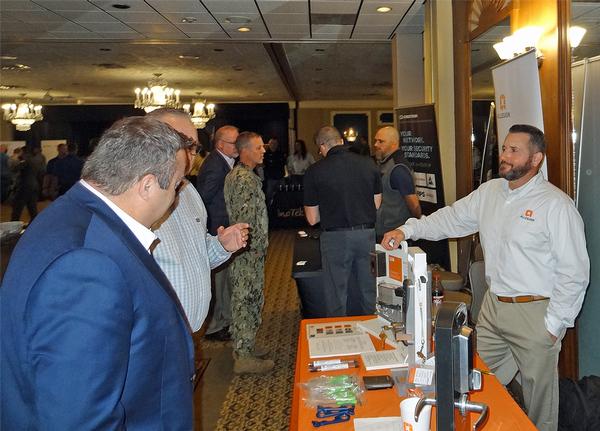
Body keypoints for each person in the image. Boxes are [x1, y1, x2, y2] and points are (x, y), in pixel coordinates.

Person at [382, 124, 590, 431]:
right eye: (504, 148)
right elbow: (451, 219)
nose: (504, 155)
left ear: (536, 160)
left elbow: (575, 272)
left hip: (535, 314)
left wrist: (554, 325)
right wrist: (408, 230)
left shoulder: (556, 205)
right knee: (471, 378)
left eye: (514, 150)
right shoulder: (490, 192)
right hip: (493, 309)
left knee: (539, 406)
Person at [1, 116, 196, 429]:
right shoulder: (87, 264)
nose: (176, 195)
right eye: (176, 185)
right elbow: (79, 419)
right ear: (147, 185)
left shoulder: (72, 214)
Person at [147, 109, 249, 333]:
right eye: (181, 143)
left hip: (187, 334)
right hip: (154, 334)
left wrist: (221, 245)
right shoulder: (134, 197)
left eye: (192, 145)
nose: (189, 153)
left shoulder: (188, 191)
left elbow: (196, 254)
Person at [303, 126, 382, 316]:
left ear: (322, 146)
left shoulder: (315, 171)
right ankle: (372, 334)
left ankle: (339, 338)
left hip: (335, 238)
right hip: (366, 236)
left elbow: (312, 219)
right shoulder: (369, 164)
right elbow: (376, 204)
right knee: (368, 289)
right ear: (341, 141)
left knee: (336, 292)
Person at [224, 131, 273, 374]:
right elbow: (245, 218)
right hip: (246, 250)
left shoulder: (245, 176)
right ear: (244, 151)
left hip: (248, 249)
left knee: (251, 297)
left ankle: (247, 345)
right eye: (258, 148)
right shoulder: (243, 179)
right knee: (246, 298)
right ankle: (243, 356)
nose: (263, 151)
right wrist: (252, 247)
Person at [197, 125, 240, 341]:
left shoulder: (226, 162)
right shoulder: (214, 165)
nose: (238, 146)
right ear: (221, 144)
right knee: (220, 281)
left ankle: (223, 321)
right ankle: (216, 326)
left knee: (225, 281)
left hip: (222, 229)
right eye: (234, 142)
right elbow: (203, 197)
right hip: (217, 230)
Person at [373, 126, 422, 242]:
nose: (375, 144)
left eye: (381, 141)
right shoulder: (384, 163)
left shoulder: (398, 168)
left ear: (394, 144)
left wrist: (416, 224)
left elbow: (414, 205)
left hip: (395, 234)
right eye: (375, 140)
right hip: (383, 231)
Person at [10, 146, 39, 221]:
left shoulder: (25, 161)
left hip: (24, 186)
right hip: (34, 186)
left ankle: (14, 226)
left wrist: (15, 159)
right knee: (32, 209)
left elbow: (14, 169)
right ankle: (34, 226)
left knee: (17, 208)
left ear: (24, 152)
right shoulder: (35, 160)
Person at [263, 137, 285, 206]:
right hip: (270, 179)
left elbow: (284, 164)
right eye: (272, 143)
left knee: (283, 194)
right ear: (269, 144)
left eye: (275, 143)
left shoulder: (281, 153)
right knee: (269, 195)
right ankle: (269, 209)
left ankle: (281, 208)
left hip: (280, 178)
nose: (274, 145)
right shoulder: (265, 154)